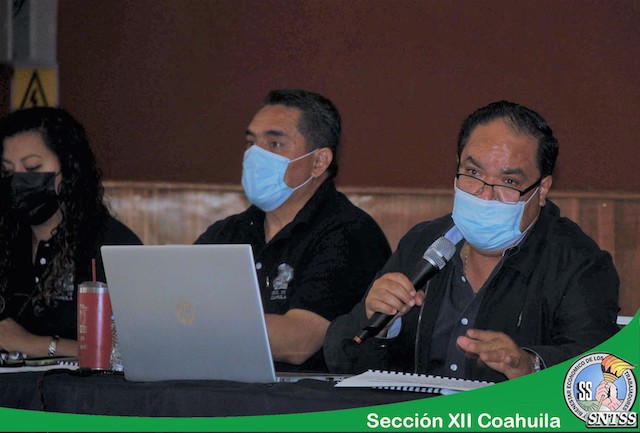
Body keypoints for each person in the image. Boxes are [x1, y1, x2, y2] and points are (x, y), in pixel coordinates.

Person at [324, 100, 620, 382]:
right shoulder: (423, 243)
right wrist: (376, 323)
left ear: (541, 190)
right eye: (473, 172)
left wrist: (530, 365)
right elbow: (340, 359)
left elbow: (602, 373)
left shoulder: (579, 264)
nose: (484, 194)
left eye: (509, 182)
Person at [195, 89, 391, 372]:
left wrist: (195, 324)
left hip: (308, 396)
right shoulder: (226, 233)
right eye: (251, 143)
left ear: (318, 162)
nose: (255, 155)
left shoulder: (349, 234)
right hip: (219, 386)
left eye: (274, 144)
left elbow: (298, 342)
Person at [0, 107, 142, 359]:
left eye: (32, 168)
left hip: (81, 385)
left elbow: (131, 352)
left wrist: (36, 345)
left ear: (68, 168)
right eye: (7, 172)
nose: (18, 182)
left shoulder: (112, 246)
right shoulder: (8, 240)